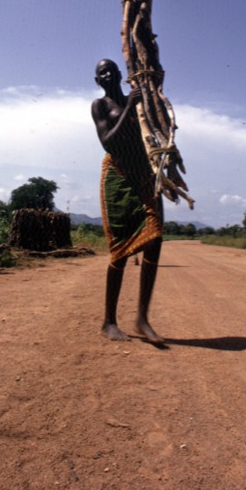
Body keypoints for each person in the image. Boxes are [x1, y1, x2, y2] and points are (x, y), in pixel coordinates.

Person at [91, 58, 164, 343]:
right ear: (97, 81)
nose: (107, 74)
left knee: (155, 240)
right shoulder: (100, 106)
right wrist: (130, 109)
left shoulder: (138, 100)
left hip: (144, 175)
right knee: (120, 251)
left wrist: (154, 88)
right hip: (118, 177)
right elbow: (108, 141)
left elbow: (157, 126)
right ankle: (109, 321)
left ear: (121, 74)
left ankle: (143, 318)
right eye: (101, 72)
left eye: (111, 69)